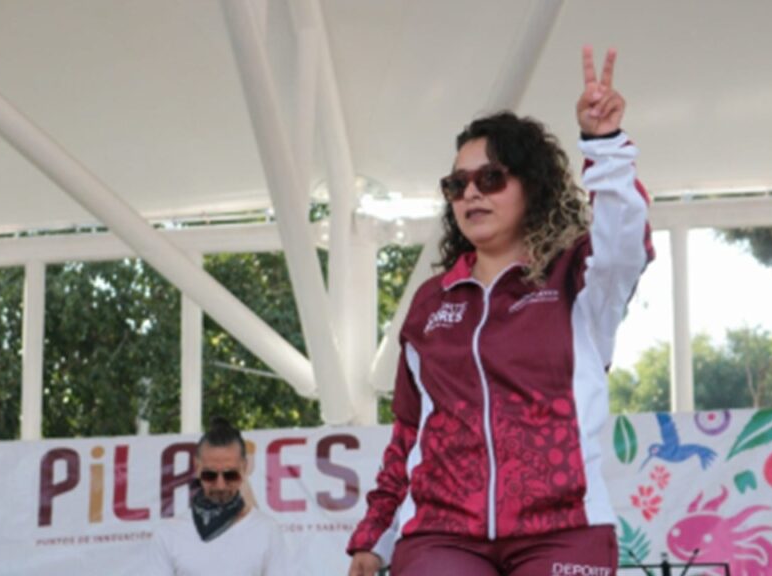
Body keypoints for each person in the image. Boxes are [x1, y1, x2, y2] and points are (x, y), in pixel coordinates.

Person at [347, 46, 653, 576]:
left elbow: (625, 242)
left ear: (531, 186)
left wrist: (604, 146)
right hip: (442, 533)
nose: (471, 193)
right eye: (457, 184)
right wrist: (375, 533)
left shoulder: (578, 280)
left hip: (565, 527)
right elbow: (410, 431)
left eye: (490, 178)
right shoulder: (432, 302)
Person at [148, 417, 288, 576]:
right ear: (197, 467)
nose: (220, 485)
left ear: (244, 468)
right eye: (210, 475)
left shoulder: (267, 531)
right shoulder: (168, 534)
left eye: (230, 475)